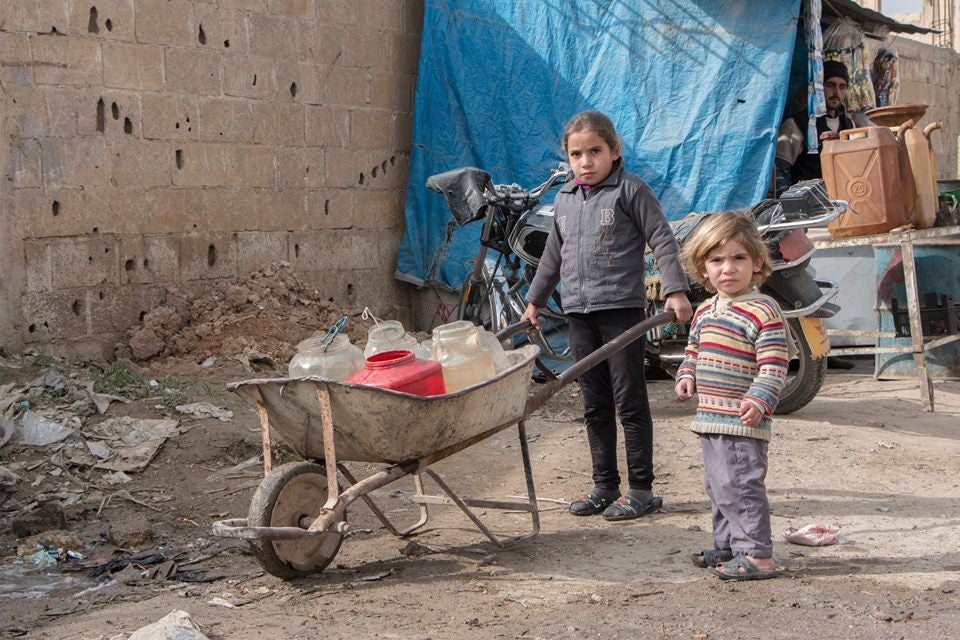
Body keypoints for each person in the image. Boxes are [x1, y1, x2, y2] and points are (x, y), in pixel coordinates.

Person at [521, 110, 692, 521]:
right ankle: (604, 485)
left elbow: (662, 239)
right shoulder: (563, 200)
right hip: (578, 311)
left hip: (621, 310)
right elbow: (552, 256)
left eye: (595, 151)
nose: (586, 162)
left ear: (615, 151)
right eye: (576, 154)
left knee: (628, 400)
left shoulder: (631, 190)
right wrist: (535, 302)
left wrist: (676, 289)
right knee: (594, 403)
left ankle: (641, 489)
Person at [674, 212, 790, 581]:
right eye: (717, 260)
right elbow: (693, 350)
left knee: (740, 484)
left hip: (741, 421)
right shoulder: (706, 310)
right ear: (702, 268)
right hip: (710, 416)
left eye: (738, 258)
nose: (728, 268)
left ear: (756, 262)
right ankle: (727, 546)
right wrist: (686, 374)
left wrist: (759, 399)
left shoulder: (763, 310)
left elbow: (775, 363)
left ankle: (756, 554)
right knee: (718, 484)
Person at [774, 60, 856, 195]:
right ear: (818, 87)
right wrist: (791, 201)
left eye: (842, 87)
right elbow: (777, 170)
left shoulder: (848, 125)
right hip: (811, 205)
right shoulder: (797, 124)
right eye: (830, 85)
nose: (836, 92)